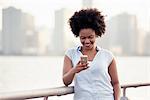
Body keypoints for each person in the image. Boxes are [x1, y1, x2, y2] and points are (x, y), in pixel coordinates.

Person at [62, 8, 121, 100]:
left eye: (90, 37)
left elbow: (116, 83)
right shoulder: (70, 54)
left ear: (97, 34)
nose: (87, 41)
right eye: (83, 38)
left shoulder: (108, 56)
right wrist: (75, 70)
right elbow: (66, 81)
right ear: (77, 35)